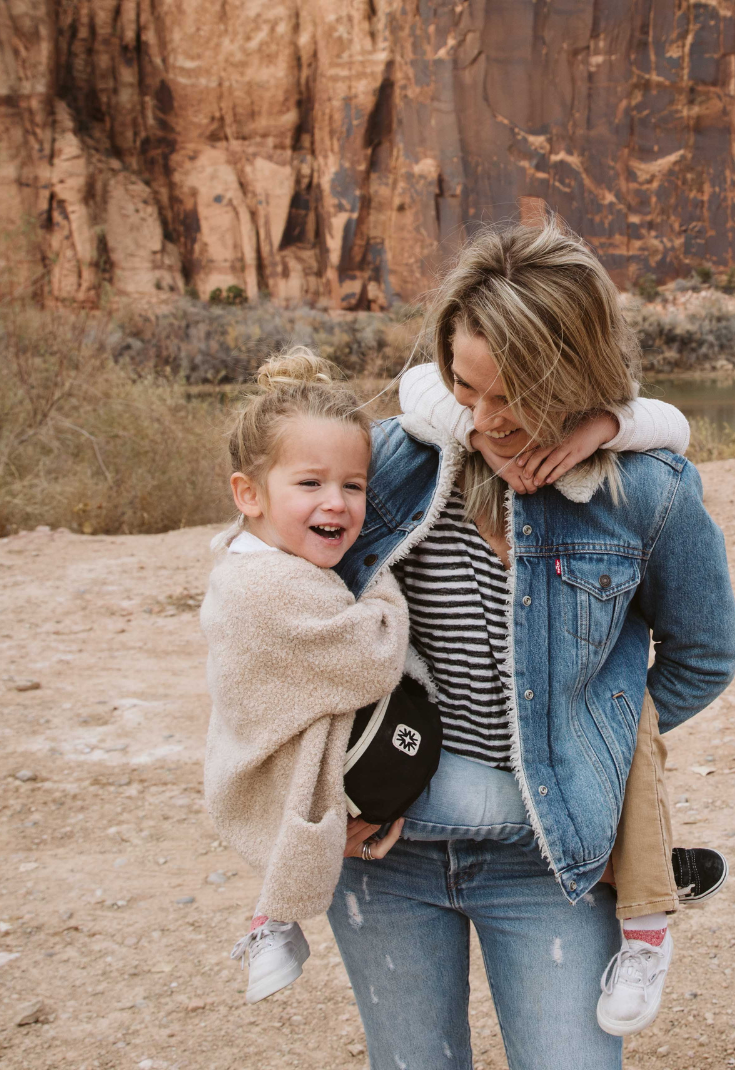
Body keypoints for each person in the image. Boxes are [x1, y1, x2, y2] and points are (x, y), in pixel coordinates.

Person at [329, 219, 735, 1069]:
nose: (484, 421)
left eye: (512, 394)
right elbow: (280, 610)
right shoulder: (387, 467)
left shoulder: (645, 494)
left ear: (576, 377)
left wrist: (595, 738)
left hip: (548, 861)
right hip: (382, 856)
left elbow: (704, 655)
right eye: (463, 387)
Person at [199, 349, 419, 1003]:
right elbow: (369, 660)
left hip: (253, 745)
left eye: (354, 486)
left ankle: (275, 916)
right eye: (311, 484)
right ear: (249, 493)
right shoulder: (273, 584)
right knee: (304, 797)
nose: (338, 502)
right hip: (263, 764)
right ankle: (275, 918)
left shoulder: (250, 555)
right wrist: (380, 588)